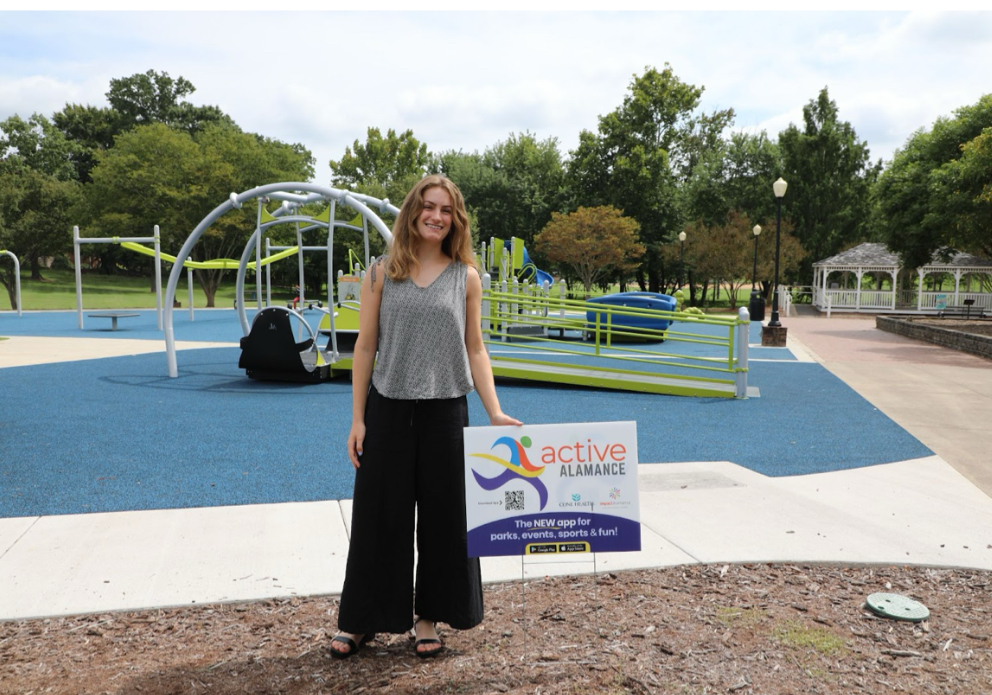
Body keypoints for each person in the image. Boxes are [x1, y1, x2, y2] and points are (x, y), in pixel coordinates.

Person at [331, 175, 522, 660]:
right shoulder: (381, 273)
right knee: (378, 518)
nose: (437, 216)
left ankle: (427, 619)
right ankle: (361, 620)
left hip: (445, 413)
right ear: (412, 212)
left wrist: (494, 411)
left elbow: (475, 347)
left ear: (455, 220)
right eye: (428, 207)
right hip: (388, 408)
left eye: (447, 210)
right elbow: (365, 346)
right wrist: (358, 419)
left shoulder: (466, 277)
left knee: (444, 522)